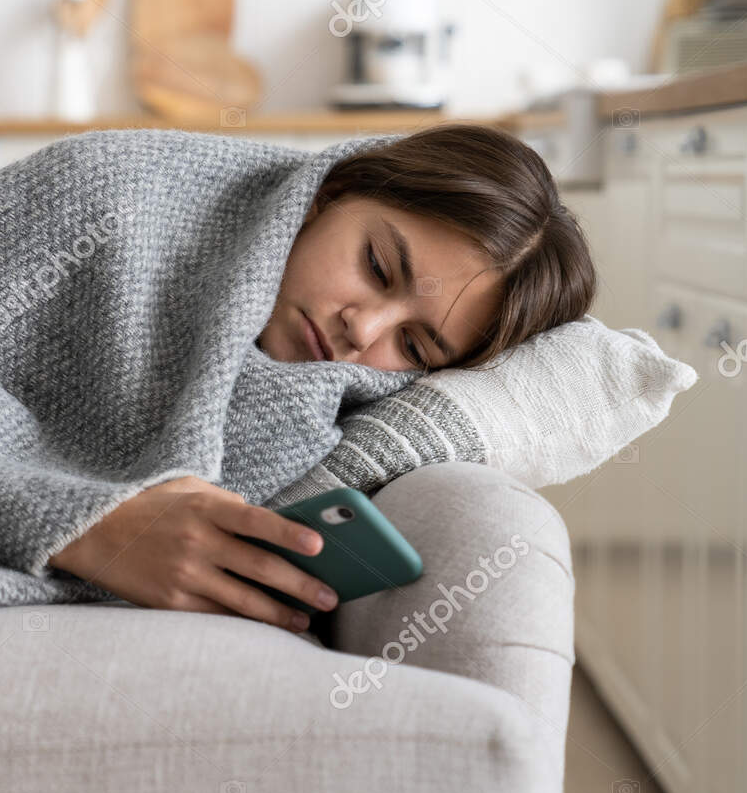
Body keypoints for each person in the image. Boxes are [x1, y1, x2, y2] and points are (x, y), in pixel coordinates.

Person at [46, 123, 597, 632]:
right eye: (378, 267)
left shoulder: (342, 411)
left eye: (412, 343)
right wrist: (88, 528)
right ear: (334, 194)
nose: (361, 329)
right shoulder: (115, 189)